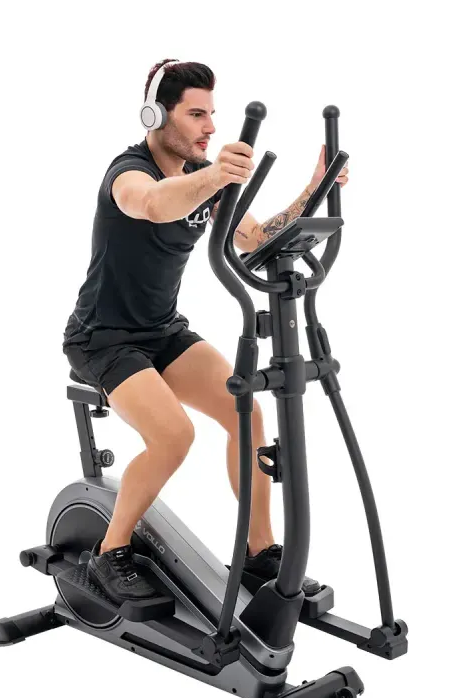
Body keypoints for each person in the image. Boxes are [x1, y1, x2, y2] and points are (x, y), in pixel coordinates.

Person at [62, 59, 349, 604]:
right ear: (155, 115)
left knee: (247, 413)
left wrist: (314, 190)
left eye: (212, 114)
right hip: (103, 338)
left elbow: (258, 238)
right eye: (196, 114)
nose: (210, 127)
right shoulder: (128, 173)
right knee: (174, 437)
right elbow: (152, 205)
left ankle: (258, 554)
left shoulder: (204, 181)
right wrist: (215, 175)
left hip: (163, 332)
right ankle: (108, 553)